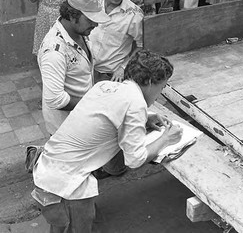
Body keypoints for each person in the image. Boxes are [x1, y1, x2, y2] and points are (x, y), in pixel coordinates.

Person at [32, 49, 183, 233]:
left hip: (47, 168)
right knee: (78, 227)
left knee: (61, 227)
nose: (159, 94)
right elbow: (135, 159)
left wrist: (145, 118)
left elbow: (105, 115)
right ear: (150, 82)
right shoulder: (135, 103)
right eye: (161, 87)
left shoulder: (103, 86)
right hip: (67, 181)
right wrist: (166, 138)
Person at [38, 0, 108, 134]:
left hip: (82, 119)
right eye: (90, 20)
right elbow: (55, 99)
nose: (96, 25)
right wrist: (93, 105)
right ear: (72, 15)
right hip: (66, 129)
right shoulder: (54, 51)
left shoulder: (79, 32)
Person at [90, 0, 143, 82]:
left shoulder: (134, 15)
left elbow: (141, 45)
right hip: (84, 70)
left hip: (110, 75)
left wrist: (123, 67)